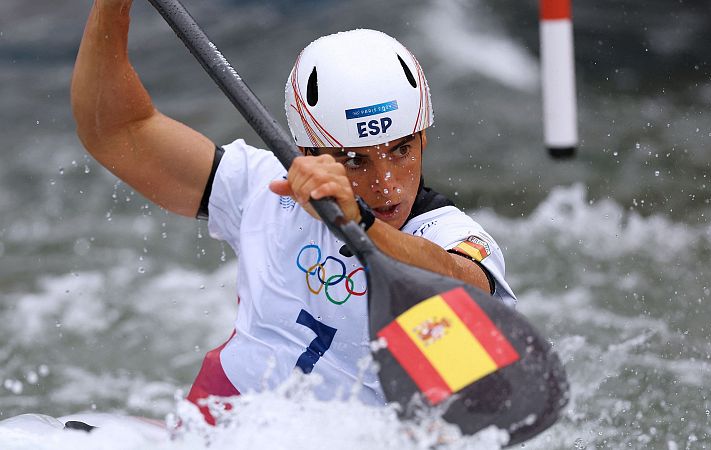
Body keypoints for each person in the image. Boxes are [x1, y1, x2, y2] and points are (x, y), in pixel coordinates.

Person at [72, 0, 517, 424]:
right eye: (355, 160)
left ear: (423, 138)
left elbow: (461, 289)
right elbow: (116, 131)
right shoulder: (266, 187)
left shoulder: (448, 234)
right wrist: (112, 6)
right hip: (211, 431)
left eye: (401, 150)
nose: (386, 184)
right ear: (306, 152)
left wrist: (360, 223)